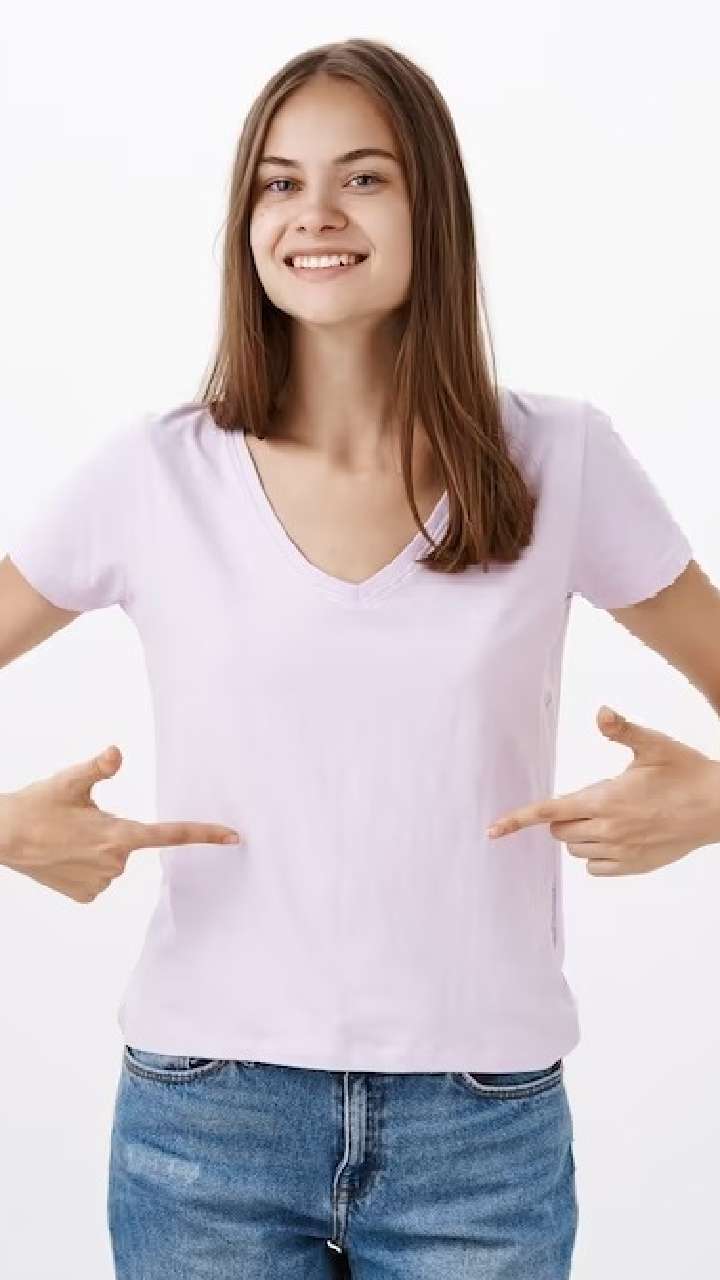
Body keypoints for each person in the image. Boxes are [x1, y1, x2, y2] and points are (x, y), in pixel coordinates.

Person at [0, 37, 696, 1280]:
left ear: (435, 208)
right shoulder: (154, 473)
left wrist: (714, 801)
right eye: (280, 182)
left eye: (363, 177)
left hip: (481, 1127)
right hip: (204, 1120)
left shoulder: (564, 459)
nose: (314, 213)